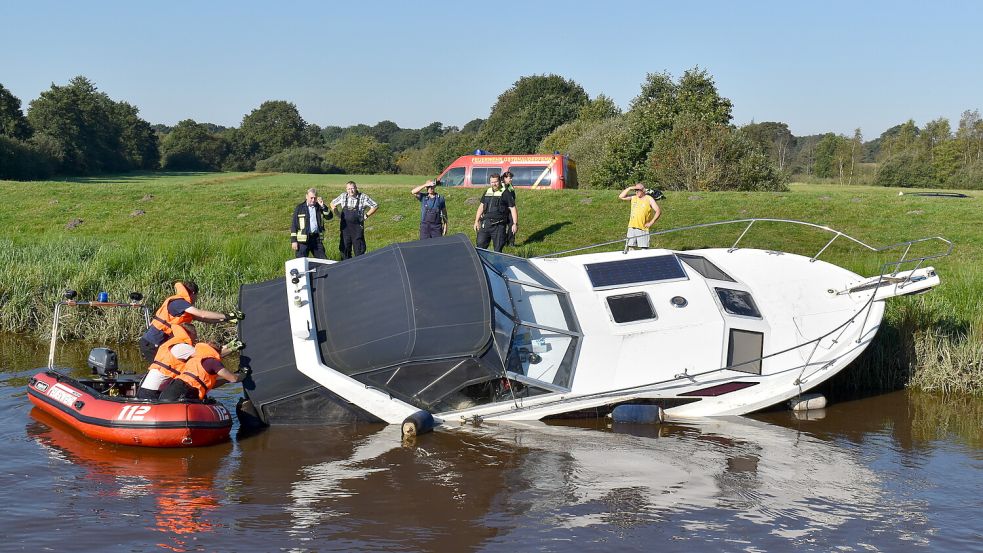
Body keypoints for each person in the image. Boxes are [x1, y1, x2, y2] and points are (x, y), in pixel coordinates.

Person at [138, 281, 240, 363]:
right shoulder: (179, 303)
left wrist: (226, 319)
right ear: (193, 294)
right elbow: (202, 314)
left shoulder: (182, 307)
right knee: (163, 368)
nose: (196, 299)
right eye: (196, 297)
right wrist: (227, 315)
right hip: (151, 343)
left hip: (158, 343)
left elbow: (205, 319)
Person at [158, 342, 244, 401]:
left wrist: (226, 379)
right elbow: (234, 379)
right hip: (186, 392)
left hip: (171, 388)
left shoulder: (194, 359)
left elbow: (210, 384)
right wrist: (244, 374)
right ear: (217, 352)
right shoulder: (213, 362)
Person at [330, 181, 378, 259]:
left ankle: (359, 268)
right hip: (345, 229)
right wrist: (338, 214)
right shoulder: (343, 196)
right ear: (346, 189)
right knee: (344, 249)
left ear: (356, 188)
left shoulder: (363, 197)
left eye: (352, 188)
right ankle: (345, 267)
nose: (351, 191)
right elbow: (332, 203)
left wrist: (366, 216)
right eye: (349, 189)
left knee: (359, 250)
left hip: (357, 229)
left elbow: (375, 206)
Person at [473, 173, 518, 252]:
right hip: (485, 224)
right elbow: (481, 207)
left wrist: (515, 223)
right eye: (492, 182)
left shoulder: (505, 192)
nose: (494, 184)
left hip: (498, 225)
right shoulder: (487, 191)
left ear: (500, 181)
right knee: (480, 247)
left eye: (496, 182)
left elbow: (513, 208)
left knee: (497, 249)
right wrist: (476, 221)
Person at [290, 187, 333, 259]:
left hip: (316, 239)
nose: (313, 200)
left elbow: (329, 217)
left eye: (315, 198)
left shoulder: (320, 207)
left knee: (323, 260)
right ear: (306, 196)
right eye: (311, 198)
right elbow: (294, 225)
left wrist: (323, 206)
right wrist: (294, 241)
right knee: (301, 262)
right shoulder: (299, 208)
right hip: (303, 240)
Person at [618, 183, 662, 249]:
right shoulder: (633, 197)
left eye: (638, 190)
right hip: (632, 227)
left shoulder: (649, 199)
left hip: (642, 228)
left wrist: (651, 222)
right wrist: (630, 188)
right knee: (630, 247)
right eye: (635, 190)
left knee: (644, 248)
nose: (637, 192)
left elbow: (658, 211)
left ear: (643, 190)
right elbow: (621, 196)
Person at [501, 171, 517, 246]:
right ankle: (503, 242)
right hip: (502, 209)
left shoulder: (510, 186)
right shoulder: (500, 186)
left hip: (510, 209)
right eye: (510, 178)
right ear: (504, 178)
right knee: (502, 226)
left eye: (511, 178)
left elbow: (513, 198)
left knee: (512, 224)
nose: (511, 180)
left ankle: (511, 242)